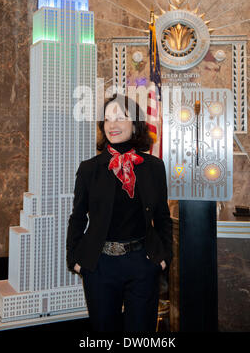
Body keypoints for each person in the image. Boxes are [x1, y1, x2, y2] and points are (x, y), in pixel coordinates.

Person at [66, 93, 173, 332]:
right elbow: (78, 217)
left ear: (135, 124)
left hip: (143, 262)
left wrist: (165, 256)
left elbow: (163, 216)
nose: (112, 124)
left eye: (121, 117)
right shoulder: (89, 169)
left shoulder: (154, 167)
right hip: (100, 264)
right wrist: (74, 259)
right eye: (107, 119)